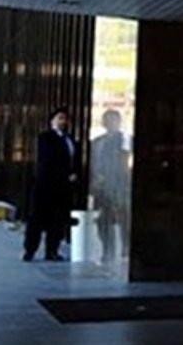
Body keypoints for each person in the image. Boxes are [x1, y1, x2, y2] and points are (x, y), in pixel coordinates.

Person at [25, 107, 79, 262]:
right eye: (59, 118)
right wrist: (64, 175)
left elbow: (72, 161)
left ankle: (52, 251)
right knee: (37, 219)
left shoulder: (70, 140)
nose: (62, 122)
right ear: (52, 121)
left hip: (62, 188)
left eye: (65, 119)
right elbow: (48, 161)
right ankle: (30, 250)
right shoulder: (46, 138)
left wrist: (73, 174)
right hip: (45, 185)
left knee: (57, 221)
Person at [88, 109, 130, 266]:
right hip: (101, 187)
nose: (111, 124)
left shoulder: (125, 139)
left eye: (114, 120)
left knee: (123, 219)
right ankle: (108, 251)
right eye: (108, 120)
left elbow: (125, 163)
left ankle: (126, 248)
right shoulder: (97, 142)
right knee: (103, 221)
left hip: (119, 186)